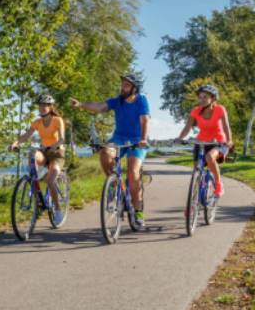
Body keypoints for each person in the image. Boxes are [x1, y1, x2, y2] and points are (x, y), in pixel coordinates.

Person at [70, 74, 150, 227]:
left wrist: (143, 139)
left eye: (126, 85)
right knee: (105, 152)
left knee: (133, 173)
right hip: (118, 137)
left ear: (134, 88)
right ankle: (114, 185)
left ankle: (138, 211)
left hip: (137, 140)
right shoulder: (117, 101)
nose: (122, 87)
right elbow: (99, 107)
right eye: (122, 84)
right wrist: (81, 105)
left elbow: (145, 119)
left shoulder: (141, 100)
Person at [9, 94, 66, 225]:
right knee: (32, 155)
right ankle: (35, 187)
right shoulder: (37, 122)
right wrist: (15, 143)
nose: (43, 107)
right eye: (41, 105)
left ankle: (57, 209)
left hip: (57, 153)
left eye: (46, 105)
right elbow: (26, 136)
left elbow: (62, 138)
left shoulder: (57, 120)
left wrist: (54, 146)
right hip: (45, 151)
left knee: (50, 181)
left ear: (51, 107)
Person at [175, 84, 233, 203]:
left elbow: (226, 126)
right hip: (201, 141)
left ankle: (218, 185)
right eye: (200, 97)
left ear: (213, 98)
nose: (201, 100)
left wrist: (229, 140)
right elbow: (187, 127)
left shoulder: (220, 109)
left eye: (205, 97)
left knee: (209, 157)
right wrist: (180, 138)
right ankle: (196, 195)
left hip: (218, 142)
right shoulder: (195, 111)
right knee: (197, 168)